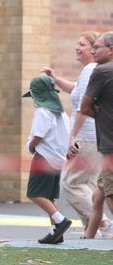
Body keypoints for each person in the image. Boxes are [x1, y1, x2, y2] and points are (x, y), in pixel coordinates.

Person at [42, 32, 113, 238]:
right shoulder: (90, 72)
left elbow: (84, 106)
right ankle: (91, 232)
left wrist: (72, 137)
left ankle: (104, 225)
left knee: (71, 183)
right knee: (94, 187)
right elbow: (76, 89)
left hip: (86, 138)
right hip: (95, 138)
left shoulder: (93, 70)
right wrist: (55, 78)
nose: (79, 48)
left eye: (83, 44)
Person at [23, 74, 72, 244]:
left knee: (35, 193)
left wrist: (31, 146)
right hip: (58, 159)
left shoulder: (43, 112)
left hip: (44, 158)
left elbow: (38, 135)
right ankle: (55, 233)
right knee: (49, 196)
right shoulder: (62, 115)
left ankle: (60, 221)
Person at [81, 31, 113, 238]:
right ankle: (89, 237)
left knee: (110, 192)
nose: (93, 50)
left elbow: (84, 107)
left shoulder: (101, 71)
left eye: (97, 47)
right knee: (98, 195)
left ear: (111, 50)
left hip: (109, 144)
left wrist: (96, 111)